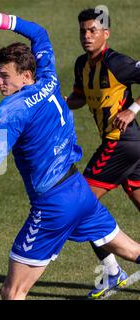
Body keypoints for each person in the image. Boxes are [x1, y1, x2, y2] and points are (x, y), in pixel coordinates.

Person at [0, 8, 140, 300]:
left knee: (12, 292)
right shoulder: (48, 76)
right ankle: (112, 272)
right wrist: (1, 20)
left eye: (4, 76)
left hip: (52, 206)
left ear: (26, 75)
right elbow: (39, 33)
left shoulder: (11, 110)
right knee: (131, 250)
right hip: (79, 191)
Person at [66, 8, 140, 298]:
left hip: (120, 143)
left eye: (93, 30)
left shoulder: (118, 63)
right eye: (83, 31)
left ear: (105, 34)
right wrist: (55, 102)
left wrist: (132, 110)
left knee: (79, 205)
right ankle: (112, 272)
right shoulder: (81, 64)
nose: (87, 36)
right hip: (127, 147)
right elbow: (78, 99)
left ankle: (112, 272)